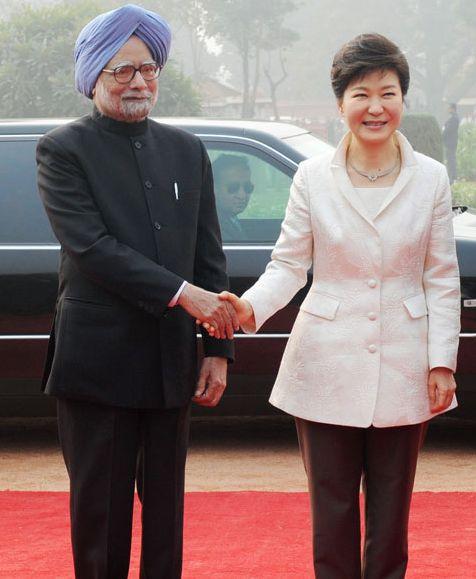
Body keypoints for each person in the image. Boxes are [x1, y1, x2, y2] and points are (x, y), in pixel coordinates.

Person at [206, 33, 461, 578]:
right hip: (324, 362)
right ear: (340, 104)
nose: (375, 107)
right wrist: (248, 309)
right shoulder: (312, 177)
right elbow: (289, 266)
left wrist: (442, 360)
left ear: (402, 100)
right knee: (332, 512)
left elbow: (441, 277)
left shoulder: (431, 178)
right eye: (361, 94)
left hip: (406, 364)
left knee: (391, 520)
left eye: (387, 93)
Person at [36, 5, 237, 578]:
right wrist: (183, 294)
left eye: (147, 68)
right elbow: (92, 248)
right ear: (93, 76)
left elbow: (209, 255)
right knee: (101, 518)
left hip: (171, 362)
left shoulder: (186, 151)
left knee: (166, 516)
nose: (138, 82)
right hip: (96, 365)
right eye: (121, 71)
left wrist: (218, 350)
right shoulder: (62, 151)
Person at [213, 154, 254, 241]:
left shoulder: (229, 219)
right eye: (233, 188)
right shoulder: (216, 228)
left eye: (247, 187)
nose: (242, 195)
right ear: (214, 188)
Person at [442, 102, 460, 184]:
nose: (448, 109)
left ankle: (452, 178)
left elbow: (448, 130)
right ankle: (452, 177)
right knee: (450, 159)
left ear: (453, 108)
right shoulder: (453, 118)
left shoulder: (454, 118)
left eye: (449, 108)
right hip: (450, 142)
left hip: (451, 143)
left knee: (451, 160)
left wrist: (442, 134)